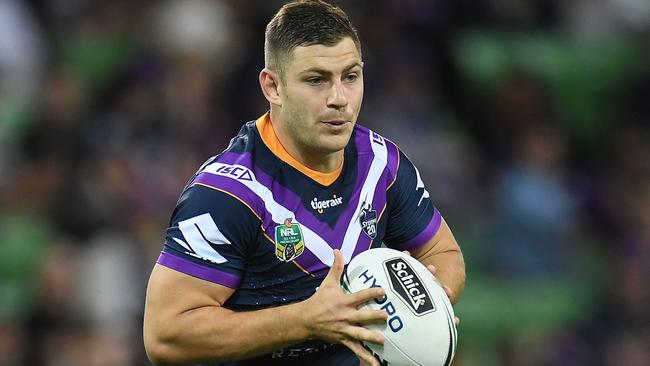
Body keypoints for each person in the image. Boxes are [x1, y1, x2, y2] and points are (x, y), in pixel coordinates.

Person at [143, 1, 465, 365]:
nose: (338, 99)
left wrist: (427, 305)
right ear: (273, 87)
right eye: (316, 80)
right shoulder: (227, 194)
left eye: (351, 76)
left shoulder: (381, 164)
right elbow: (165, 335)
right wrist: (305, 320)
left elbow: (443, 253)